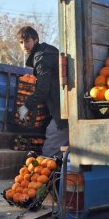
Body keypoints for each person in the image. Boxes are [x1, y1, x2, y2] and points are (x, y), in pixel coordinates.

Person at [16, 26, 69, 158]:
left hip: (63, 110)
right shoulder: (48, 51)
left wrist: (26, 106)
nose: (24, 45)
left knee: (49, 153)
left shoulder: (41, 57)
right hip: (66, 106)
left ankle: (47, 177)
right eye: (21, 43)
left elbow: (42, 89)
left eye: (27, 41)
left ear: (36, 40)